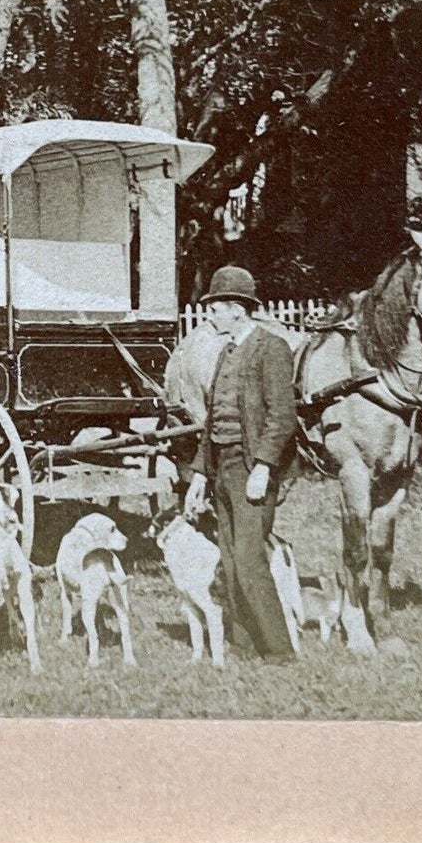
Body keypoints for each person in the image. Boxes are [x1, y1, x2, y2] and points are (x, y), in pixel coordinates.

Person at [182, 264, 297, 663]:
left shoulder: (271, 348)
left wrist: (264, 466)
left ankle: (280, 651)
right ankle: (244, 646)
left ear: (237, 309)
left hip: (252, 469)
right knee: (229, 559)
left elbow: (283, 416)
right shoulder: (226, 353)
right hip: (223, 468)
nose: (209, 314)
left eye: (215, 307)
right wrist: (199, 474)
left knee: (249, 558)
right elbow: (211, 421)